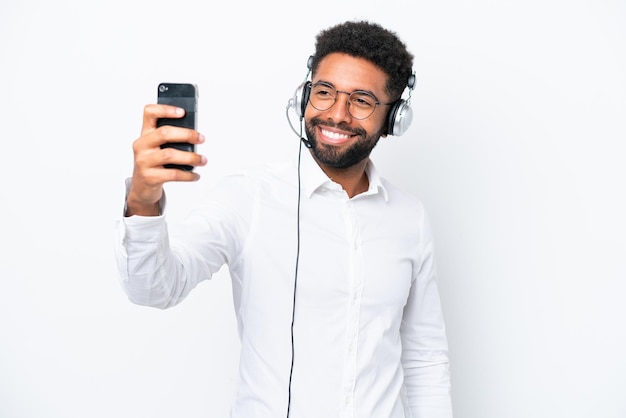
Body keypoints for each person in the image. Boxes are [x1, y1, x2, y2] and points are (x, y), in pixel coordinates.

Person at [115, 20, 453, 418]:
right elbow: (154, 288)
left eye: (361, 100)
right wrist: (143, 200)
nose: (337, 115)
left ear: (394, 117)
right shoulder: (249, 196)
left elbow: (425, 359)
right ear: (304, 97)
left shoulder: (409, 218)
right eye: (324, 92)